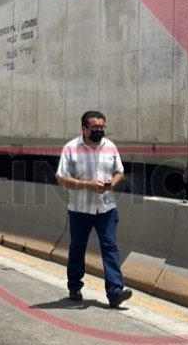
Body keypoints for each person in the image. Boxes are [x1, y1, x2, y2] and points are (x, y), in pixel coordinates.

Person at [55, 111, 133, 308]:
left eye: (101, 127)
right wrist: (87, 185)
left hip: (106, 208)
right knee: (77, 248)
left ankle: (115, 292)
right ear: (84, 128)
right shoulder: (71, 148)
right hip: (80, 210)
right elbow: (61, 178)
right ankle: (74, 286)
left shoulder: (110, 146)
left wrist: (112, 182)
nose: (99, 131)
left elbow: (119, 171)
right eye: (94, 127)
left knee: (110, 247)